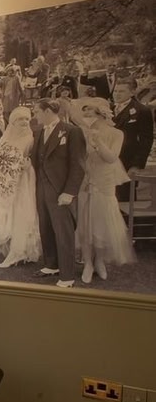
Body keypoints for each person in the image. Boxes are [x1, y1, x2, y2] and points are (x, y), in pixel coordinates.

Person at [70, 98, 135, 284]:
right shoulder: (80, 132)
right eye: (84, 112)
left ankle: (99, 261)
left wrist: (97, 141)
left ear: (101, 114)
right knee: (85, 222)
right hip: (86, 180)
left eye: (90, 111)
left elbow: (111, 158)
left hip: (104, 181)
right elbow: (77, 157)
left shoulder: (116, 134)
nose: (86, 115)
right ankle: (87, 263)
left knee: (101, 222)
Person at [30, 99, 86, 287]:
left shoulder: (72, 131)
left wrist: (69, 192)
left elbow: (78, 165)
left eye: (37, 111)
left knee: (64, 232)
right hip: (42, 188)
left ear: (47, 111)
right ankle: (51, 264)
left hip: (61, 190)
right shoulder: (39, 132)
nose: (34, 116)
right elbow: (37, 160)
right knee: (45, 227)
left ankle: (67, 275)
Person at [0, 107, 42, 268]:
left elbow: (35, 159)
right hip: (8, 181)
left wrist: (28, 165)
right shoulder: (5, 138)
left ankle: (19, 251)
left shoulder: (31, 138)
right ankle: (14, 248)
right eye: (20, 120)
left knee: (22, 212)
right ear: (13, 122)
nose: (24, 122)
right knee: (8, 213)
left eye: (26, 119)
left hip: (24, 180)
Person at [112, 79, 154, 201]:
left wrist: (136, 164)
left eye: (121, 91)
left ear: (132, 92)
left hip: (127, 161)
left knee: (125, 198)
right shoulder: (108, 109)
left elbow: (146, 140)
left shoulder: (141, 110)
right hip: (109, 160)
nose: (117, 94)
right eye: (115, 91)